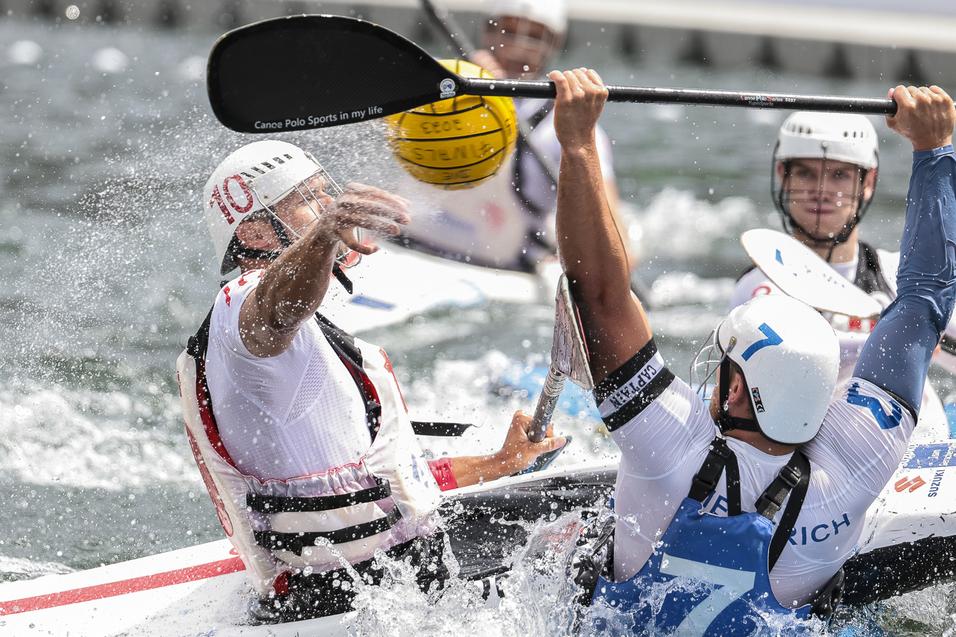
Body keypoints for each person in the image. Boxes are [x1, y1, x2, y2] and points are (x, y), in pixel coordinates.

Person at [550, 67, 956, 634]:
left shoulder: (667, 447)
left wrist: (574, 142)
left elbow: (597, 290)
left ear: (735, 386)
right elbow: (923, 306)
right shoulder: (857, 465)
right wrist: (936, 150)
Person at [175, 139, 565, 623]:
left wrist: (498, 463)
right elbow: (275, 311)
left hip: (378, 583)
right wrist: (323, 236)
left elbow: (386, 486)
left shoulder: (294, 335)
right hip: (352, 597)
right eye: (308, 202)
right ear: (254, 233)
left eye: (327, 196)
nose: (328, 210)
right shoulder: (243, 309)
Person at [730, 110, 956, 431]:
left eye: (839, 175)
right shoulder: (756, 288)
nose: (821, 190)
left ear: (868, 182)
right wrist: (901, 338)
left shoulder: (897, 275)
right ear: (783, 174)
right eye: (806, 173)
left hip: (912, 447)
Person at [402, 0, 628, 273]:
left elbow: (620, 251)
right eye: (508, 31)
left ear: (553, 44)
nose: (518, 47)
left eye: (533, 36)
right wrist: (466, 82)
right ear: (487, 32)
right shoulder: (439, 84)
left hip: (503, 271)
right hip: (406, 248)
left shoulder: (569, 126)